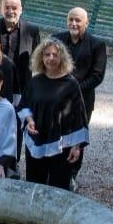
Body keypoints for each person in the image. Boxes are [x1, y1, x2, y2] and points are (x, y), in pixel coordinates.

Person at [18, 38, 89, 189]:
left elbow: (80, 116)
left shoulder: (71, 84)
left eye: (55, 55)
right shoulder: (35, 82)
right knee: (34, 185)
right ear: (41, 57)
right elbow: (24, 105)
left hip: (62, 146)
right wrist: (29, 120)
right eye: (47, 54)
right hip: (36, 141)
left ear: (61, 57)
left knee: (58, 187)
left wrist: (77, 147)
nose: (51, 58)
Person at [53, 7, 106, 182]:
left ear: (86, 23)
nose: (74, 23)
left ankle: (71, 175)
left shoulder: (97, 45)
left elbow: (97, 76)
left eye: (78, 20)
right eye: (71, 19)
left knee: (76, 137)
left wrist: (73, 90)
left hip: (82, 100)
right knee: (54, 133)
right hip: (56, 98)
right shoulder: (56, 39)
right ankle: (53, 170)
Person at [0, 0, 40, 94]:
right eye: (7, 8)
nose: (10, 11)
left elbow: (37, 56)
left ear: (21, 10)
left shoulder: (32, 30)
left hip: (21, 86)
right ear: (1, 9)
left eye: (14, 8)